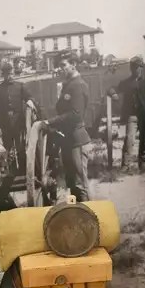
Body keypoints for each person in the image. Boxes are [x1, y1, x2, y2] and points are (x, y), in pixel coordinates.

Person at [37, 51, 92, 201]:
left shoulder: (78, 85)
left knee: (80, 184)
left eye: (63, 65)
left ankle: (89, 213)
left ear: (73, 64)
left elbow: (75, 114)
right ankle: (75, 212)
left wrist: (51, 122)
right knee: (72, 182)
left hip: (77, 139)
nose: (60, 69)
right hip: (68, 139)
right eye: (59, 66)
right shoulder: (68, 85)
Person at [0, 60, 37, 173]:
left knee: (21, 147)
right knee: (6, 147)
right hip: (5, 124)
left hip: (19, 122)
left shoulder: (20, 86)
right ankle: (9, 171)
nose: (10, 76)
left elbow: (29, 97)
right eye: (7, 74)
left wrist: (30, 101)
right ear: (3, 74)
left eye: (11, 73)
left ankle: (23, 169)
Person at [110, 55, 145, 170]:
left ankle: (143, 164)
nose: (136, 70)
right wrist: (113, 93)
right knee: (129, 139)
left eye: (138, 67)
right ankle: (126, 165)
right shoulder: (126, 83)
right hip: (132, 116)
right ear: (131, 68)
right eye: (133, 67)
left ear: (142, 67)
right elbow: (112, 89)